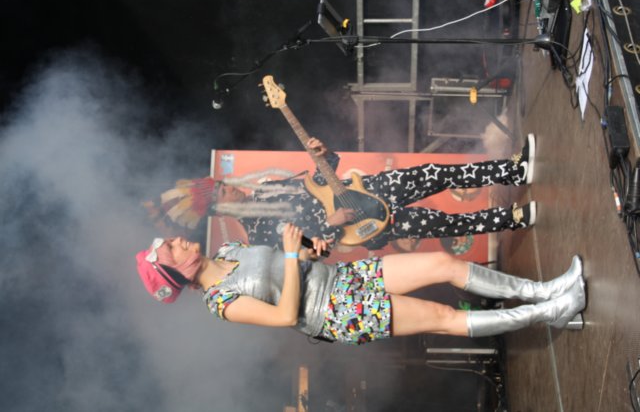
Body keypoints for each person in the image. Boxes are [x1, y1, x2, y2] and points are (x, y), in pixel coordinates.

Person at [135, 224, 586, 344]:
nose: (178, 240)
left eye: (171, 240)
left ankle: (546, 291)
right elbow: (285, 315)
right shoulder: (220, 302)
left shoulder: (229, 248)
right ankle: (551, 312)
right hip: (336, 313)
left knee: (444, 263)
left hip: (343, 277)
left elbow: (294, 265)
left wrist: (310, 251)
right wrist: (291, 256)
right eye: (171, 248)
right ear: (175, 273)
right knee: (443, 317)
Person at [153, 135, 537, 251]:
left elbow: (322, 181)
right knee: (444, 223)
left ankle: (513, 169)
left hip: (371, 188)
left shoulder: (269, 187)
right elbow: (312, 252)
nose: (231, 188)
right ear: (220, 210)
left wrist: (325, 157)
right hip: (368, 224)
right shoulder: (260, 237)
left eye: (223, 184)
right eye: (223, 192)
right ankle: (513, 218)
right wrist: (332, 224)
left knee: (438, 173)